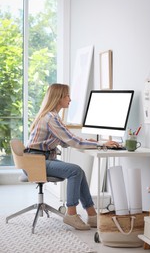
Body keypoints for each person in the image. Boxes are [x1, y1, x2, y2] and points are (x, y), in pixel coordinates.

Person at [25, 83, 120, 230]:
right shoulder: (52, 118)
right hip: (36, 162)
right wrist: (102, 145)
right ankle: (71, 214)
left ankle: (92, 214)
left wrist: (91, 142)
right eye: (67, 95)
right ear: (59, 98)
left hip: (37, 160)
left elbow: (66, 140)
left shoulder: (50, 116)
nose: (70, 99)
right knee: (75, 171)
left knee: (78, 171)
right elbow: (73, 141)